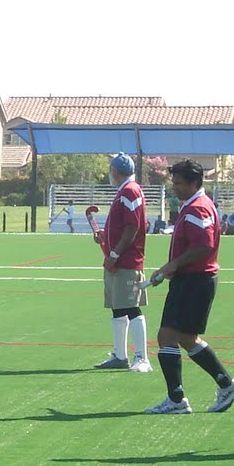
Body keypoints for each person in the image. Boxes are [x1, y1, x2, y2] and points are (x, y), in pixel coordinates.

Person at [143, 159, 234, 415]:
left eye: (178, 183)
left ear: (193, 183)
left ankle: (177, 400)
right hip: (192, 279)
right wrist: (171, 268)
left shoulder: (198, 208)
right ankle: (226, 384)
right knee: (186, 338)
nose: (174, 188)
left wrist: (172, 265)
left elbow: (204, 245)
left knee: (167, 336)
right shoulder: (195, 205)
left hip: (194, 281)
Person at [92, 153, 152, 373]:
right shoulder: (126, 191)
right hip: (118, 260)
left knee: (131, 307)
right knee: (118, 307)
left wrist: (115, 253)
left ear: (115, 172)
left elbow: (133, 227)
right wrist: (105, 237)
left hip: (126, 261)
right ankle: (120, 355)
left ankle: (141, 357)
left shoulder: (129, 191)